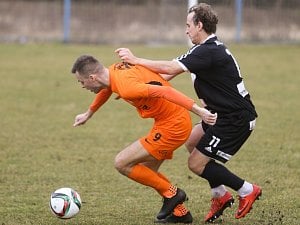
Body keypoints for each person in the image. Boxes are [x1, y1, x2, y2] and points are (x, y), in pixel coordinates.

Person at [115, 2, 262, 223]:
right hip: (219, 114)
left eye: (188, 25)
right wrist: (133, 87)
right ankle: (220, 195)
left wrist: (136, 60)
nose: (186, 30)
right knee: (191, 141)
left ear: (199, 25)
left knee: (195, 164)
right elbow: (165, 77)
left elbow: (170, 68)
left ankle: (247, 189)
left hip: (235, 119)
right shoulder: (203, 50)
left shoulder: (208, 51)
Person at [71, 54, 217, 223]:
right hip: (167, 121)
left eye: (81, 82)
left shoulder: (126, 87)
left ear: (92, 77)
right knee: (148, 172)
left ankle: (174, 194)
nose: (82, 86)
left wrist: (199, 111)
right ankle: (181, 213)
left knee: (122, 162)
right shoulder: (113, 72)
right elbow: (107, 89)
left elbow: (166, 91)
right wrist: (89, 113)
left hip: (173, 126)